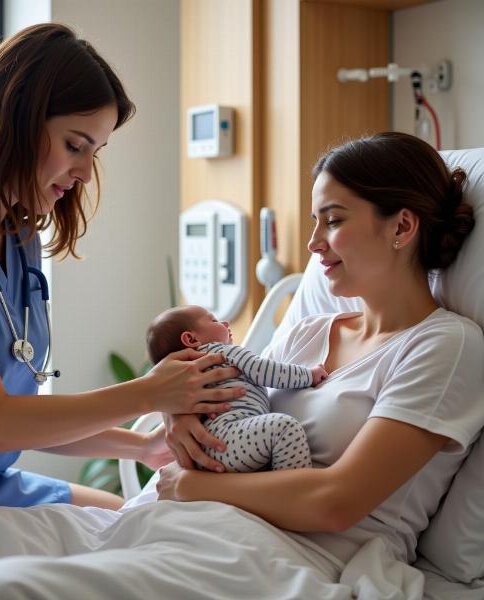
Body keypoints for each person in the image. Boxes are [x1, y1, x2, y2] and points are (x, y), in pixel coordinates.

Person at [0, 23, 245, 513]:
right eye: (75, 145)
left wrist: (141, 446)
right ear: (16, 119)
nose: (83, 174)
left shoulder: (18, 234)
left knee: (137, 521)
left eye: (94, 152)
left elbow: (21, 418)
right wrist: (149, 392)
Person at [157, 132, 484, 571]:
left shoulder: (444, 346)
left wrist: (191, 487)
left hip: (300, 559)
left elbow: (337, 503)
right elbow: (226, 396)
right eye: (315, 221)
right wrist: (177, 413)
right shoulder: (306, 333)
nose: (313, 243)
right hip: (211, 531)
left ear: (402, 227)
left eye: (332, 221)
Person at [146, 304, 327, 472]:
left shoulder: (189, 374)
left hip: (207, 450)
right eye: (214, 321)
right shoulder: (219, 352)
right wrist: (308, 375)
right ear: (191, 338)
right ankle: (295, 491)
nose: (225, 323)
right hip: (229, 436)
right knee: (285, 429)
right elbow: (265, 371)